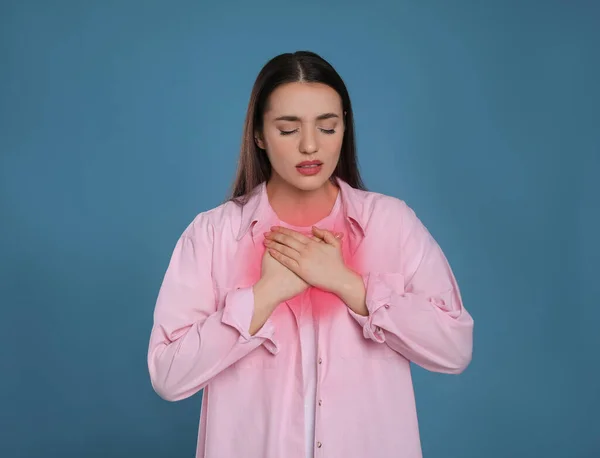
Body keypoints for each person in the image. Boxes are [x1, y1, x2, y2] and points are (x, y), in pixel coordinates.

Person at [147, 50, 474, 458]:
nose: (309, 145)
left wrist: (349, 286)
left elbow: (455, 347)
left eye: (327, 127)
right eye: (288, 129)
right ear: (259, 134)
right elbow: (168, 374)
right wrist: (263, 297)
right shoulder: (213, 235)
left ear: (344, 128)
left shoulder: (391, 224)